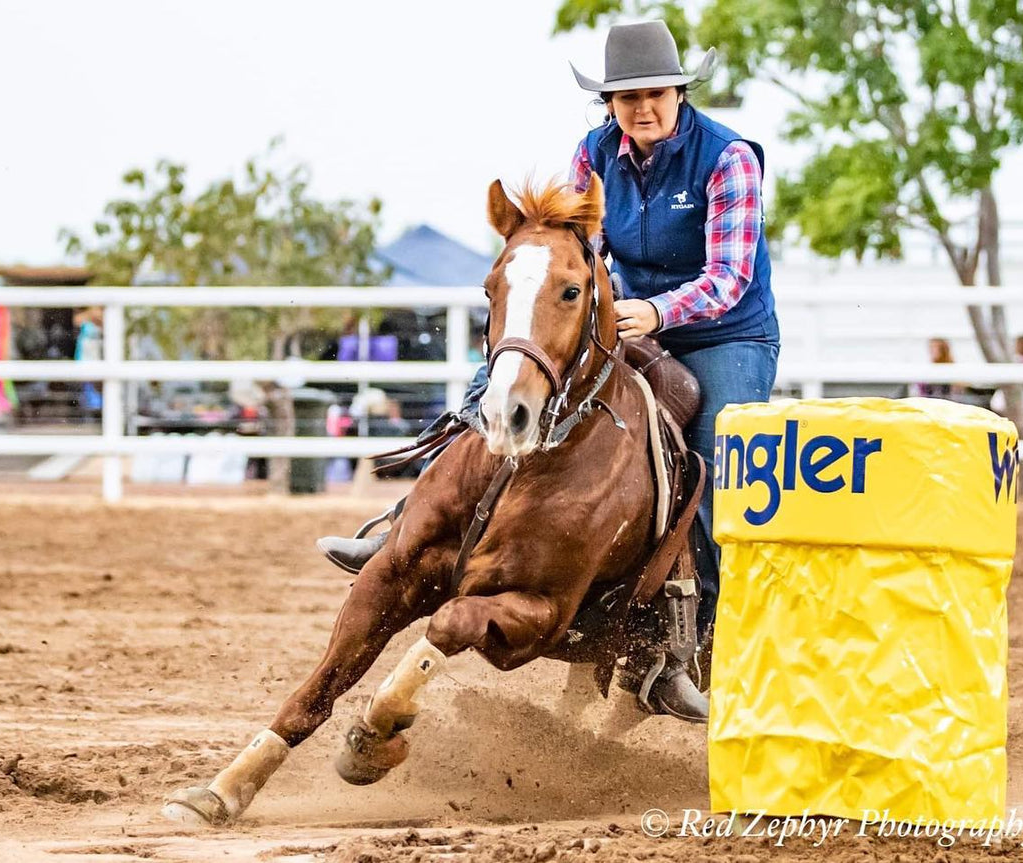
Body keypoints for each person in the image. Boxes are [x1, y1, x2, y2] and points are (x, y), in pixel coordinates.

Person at [318, 21, 779, 719]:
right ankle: (406, 528)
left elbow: (730, 275)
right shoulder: (594, 155)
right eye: (626, 99)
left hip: (726, 332)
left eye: (654, 93)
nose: (641, 108)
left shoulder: (728, 160)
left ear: (680, 92)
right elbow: (574, 248)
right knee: (504, 382)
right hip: (626, 315)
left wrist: (654, 312)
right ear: (610, 106)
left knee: (719, 465)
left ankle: (681, 646)